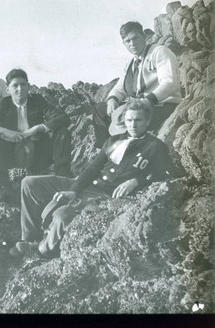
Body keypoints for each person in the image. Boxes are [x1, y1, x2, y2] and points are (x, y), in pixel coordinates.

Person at [10, 99, 173, 258]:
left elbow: (164, 175)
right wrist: (73, 191)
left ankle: (41, 250)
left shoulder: (155, 146)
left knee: (61, 215)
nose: (133, 124)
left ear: (147, 121)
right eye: (129, 119)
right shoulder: (114, 140)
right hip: (86, 184)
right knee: (29, 183)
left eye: (138, 120)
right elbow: (93, 168)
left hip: (106, 196)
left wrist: (137, 181)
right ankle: (30, 237)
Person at [0, 68, 72, 203]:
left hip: (38, 153)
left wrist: (37, 128)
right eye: (15, 85)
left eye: (23, 84)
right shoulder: (3, 104)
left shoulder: (37, 101)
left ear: (28, 86)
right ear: (8, 89)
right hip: (10, 154)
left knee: (61, 131)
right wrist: (3, 131)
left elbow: (63, 117)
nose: (20, 89)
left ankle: (63, 178)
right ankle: (5, 186)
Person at [93, 21, 182, 148]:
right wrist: (112, 99)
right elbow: (120, 87)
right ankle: (105, 150)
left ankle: (126, 152)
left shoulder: (159, 52)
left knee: (127, 118)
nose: (132, 43)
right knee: (99, 109)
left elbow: (169, 83)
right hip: (141, 107)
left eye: (135, 38)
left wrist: (148, 100)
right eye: (127, 41)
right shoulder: (130, 64)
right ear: (124, 44)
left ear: (144, 36)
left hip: (162, 106)